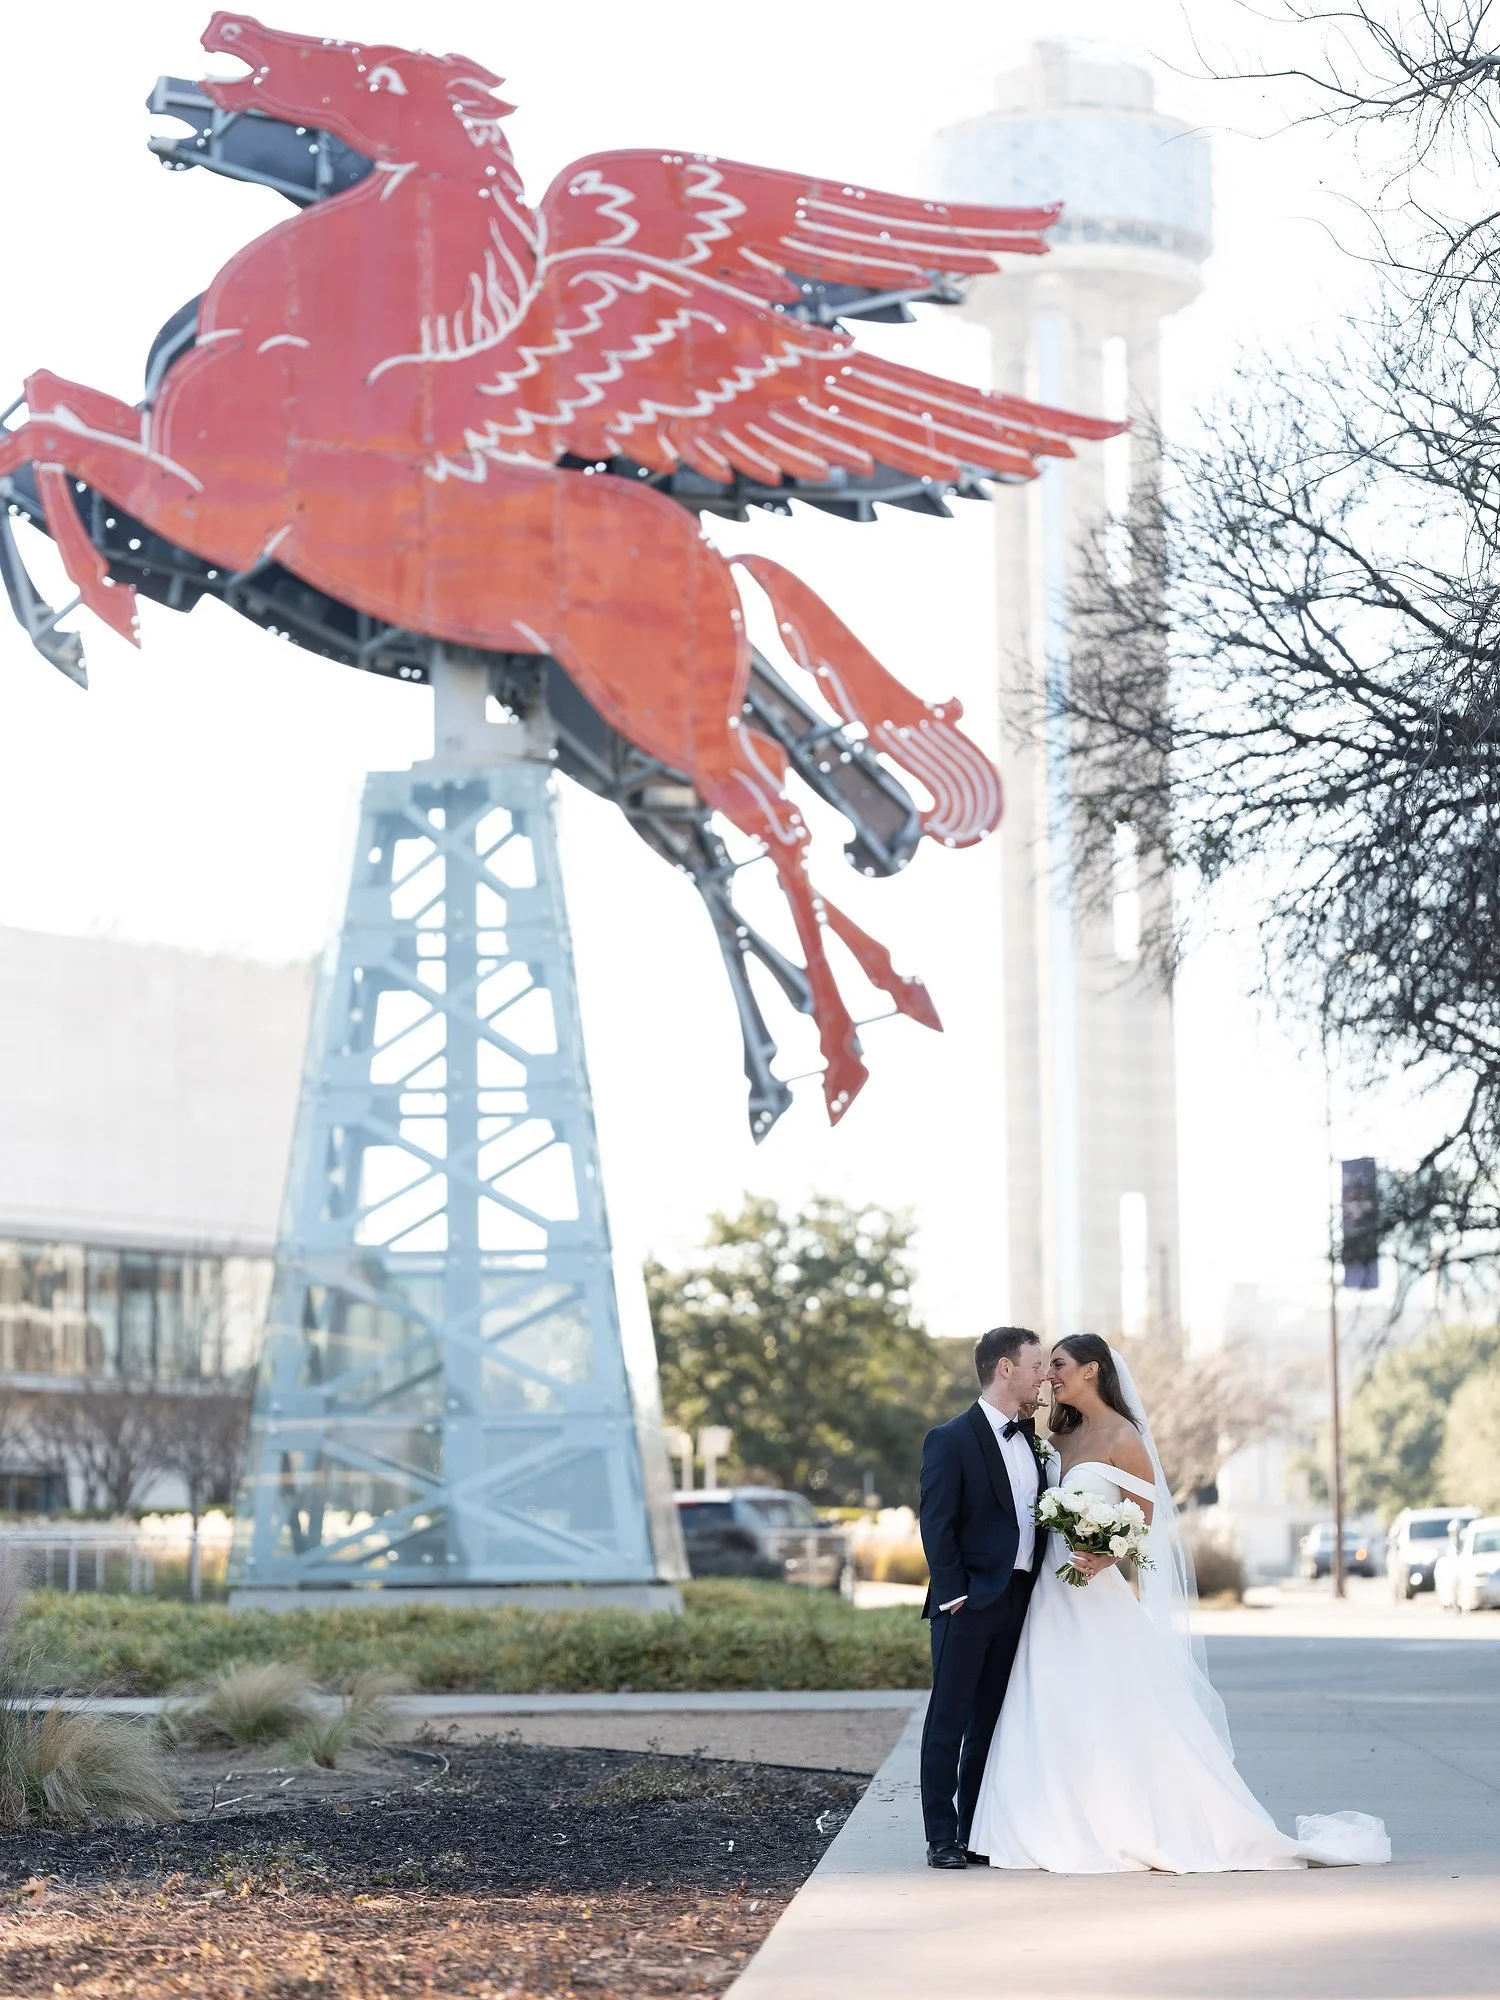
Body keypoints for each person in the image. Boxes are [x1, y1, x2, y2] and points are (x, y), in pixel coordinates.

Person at [965, 1333, 1390, 1873]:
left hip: (1094, 1592)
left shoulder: (1124, 1437)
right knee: (1047, 1700)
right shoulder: (1058, 1434)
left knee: (1109, 1705)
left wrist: (1106, 1553)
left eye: (1060, 1364)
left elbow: (1145, 1516)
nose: (1050, 1375)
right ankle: (1042, 1823)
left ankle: (1132, 1824)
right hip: (1049, 1594)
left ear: (1092, 1370)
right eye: (1046, 1366)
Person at [916, 1325, 1048, 1868]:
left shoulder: (1035, 1441)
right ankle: (939, 1837)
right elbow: (936, 1522)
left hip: (1019, 1601)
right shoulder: (949, 1439)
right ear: (1005, 1368)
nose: (1045, 1376)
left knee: (989, 1726)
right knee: (948, 1724)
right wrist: (953, 1596)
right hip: (967, 1604)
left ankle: (973, 1831)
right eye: (1037, 1365)